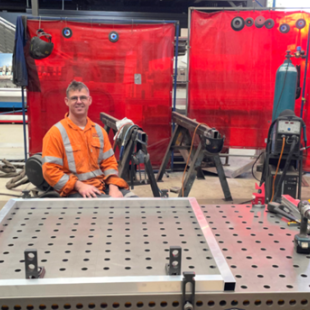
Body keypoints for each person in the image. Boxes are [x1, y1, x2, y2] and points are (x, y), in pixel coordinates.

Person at [42, 80, 131, 198]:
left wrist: (114, 188)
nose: (79, 102)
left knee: (134, 202)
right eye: (74, 98)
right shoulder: (55, 133)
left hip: (102, 186)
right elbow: (50, 170)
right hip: (74, 191)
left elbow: (110, 164)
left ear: (89, 100)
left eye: (83, 98)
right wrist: (79, 186)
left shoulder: (99, 132)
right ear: (66, 101)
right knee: (113, 208)